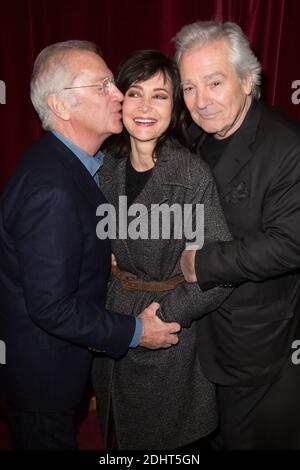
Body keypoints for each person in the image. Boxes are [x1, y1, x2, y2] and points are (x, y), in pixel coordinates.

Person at [0, 40, 181, 450]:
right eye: (102, 86)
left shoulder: (71, 165)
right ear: (61, 106)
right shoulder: (52, 188)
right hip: (42, 386)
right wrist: (137, 331)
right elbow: (51, 307)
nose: (119, 94)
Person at [92, 49, 233, 450]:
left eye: (160, 95)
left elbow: (218, 274)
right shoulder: (105, 167)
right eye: (135, 93)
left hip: (169, 340)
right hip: (112, 330)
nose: (145, 107)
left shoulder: (191, 176)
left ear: (175, 106)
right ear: (120, 100)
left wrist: (163, 318)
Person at [175, 21, 300, 449]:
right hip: (196, 339)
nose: (201, 101)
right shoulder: (192, 138)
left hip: (251, 345)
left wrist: (201, 264)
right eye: (189, 87)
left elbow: (290, 244)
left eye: (214, 82)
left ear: (247, 80)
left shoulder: (288, 147)